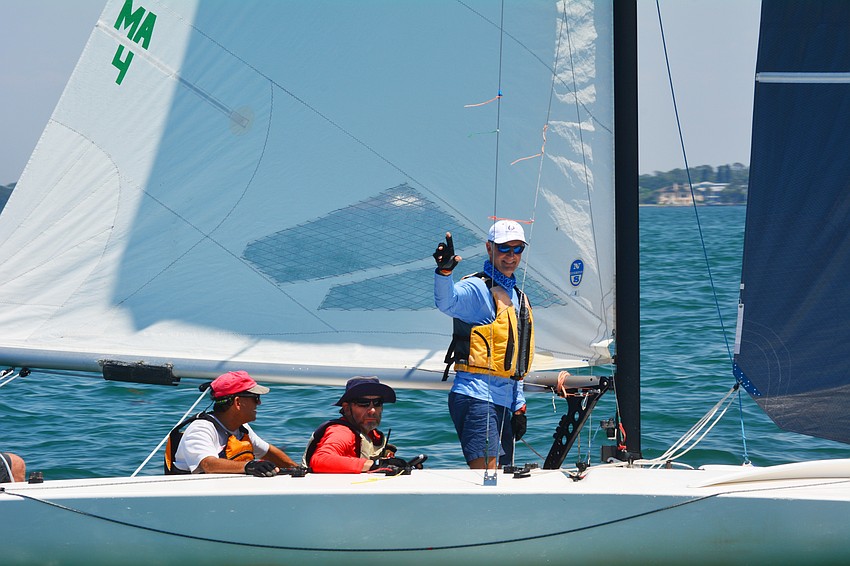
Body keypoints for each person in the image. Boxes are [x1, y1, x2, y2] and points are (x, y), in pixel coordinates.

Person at [433, 220, 534, 469]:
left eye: (517, 249)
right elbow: (448, 302)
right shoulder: (477, 288)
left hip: (503, 401)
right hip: (476, 397)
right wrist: (444, 273)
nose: (510, 256)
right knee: (487, 479)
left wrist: (518, 404)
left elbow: (515, 360)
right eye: (503, 248)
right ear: (489, 249)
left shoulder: (516, 296)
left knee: (504, 476)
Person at [167, 370, 298, 476]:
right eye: (255, 398)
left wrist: (296, 468)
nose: (259, 403)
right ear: (238, 402)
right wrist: (250, 466)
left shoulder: (242, 428)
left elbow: (268, 452)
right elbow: (208, 465)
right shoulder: (201, 429)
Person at [303, 376, 407, 473]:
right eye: (363, 403)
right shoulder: (341, 432)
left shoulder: (373, 435)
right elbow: (320, 459)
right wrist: (376, 465)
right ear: (347, 408)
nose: (372, 410)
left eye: (377, 402)